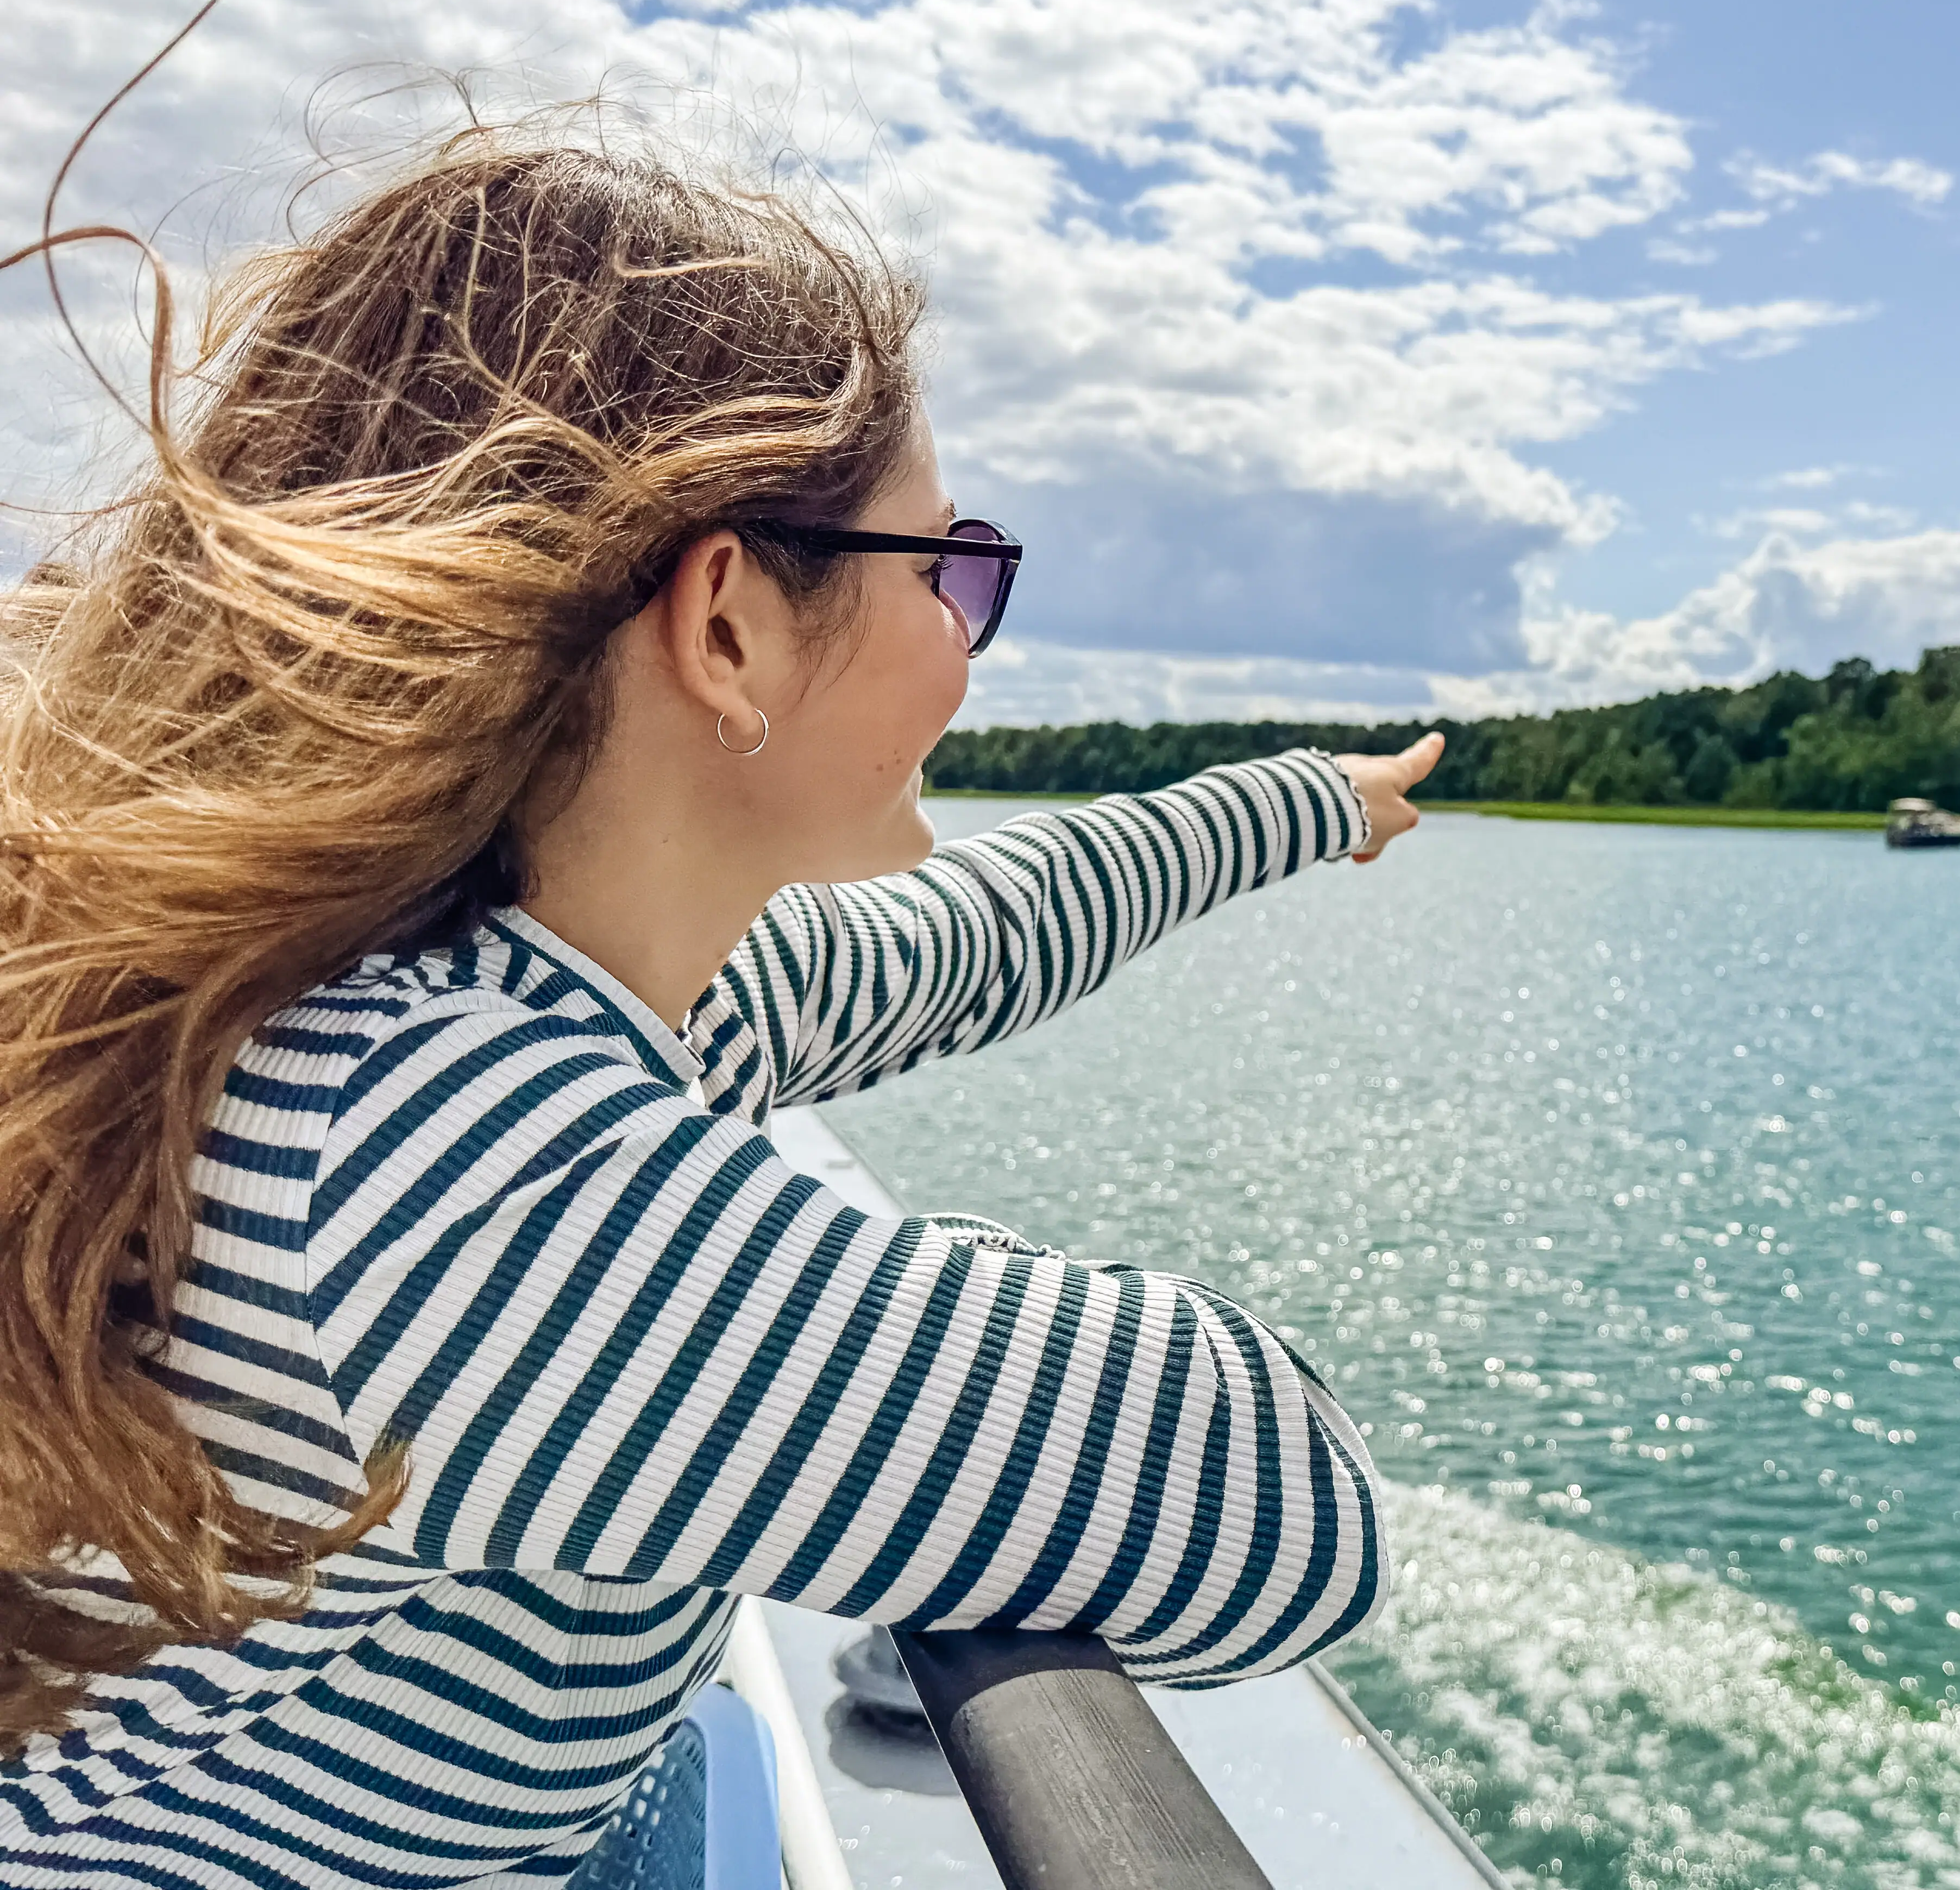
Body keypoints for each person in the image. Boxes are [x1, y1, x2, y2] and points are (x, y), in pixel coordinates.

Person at [0, 132, 1443, 1885]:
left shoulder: (507, 974)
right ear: (732, 623)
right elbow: (1280, 1508)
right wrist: (818, 1279)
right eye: (953, 569)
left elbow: (985, 932)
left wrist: (1310, 799)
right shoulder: (462, 1170)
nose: (973, 640)